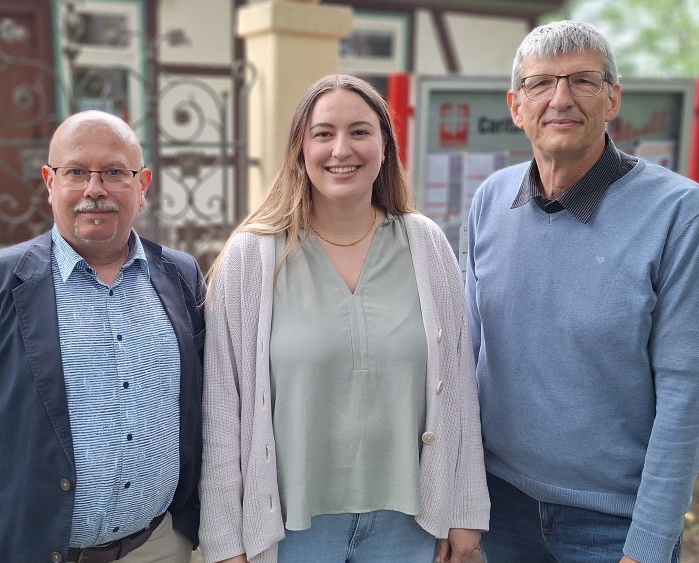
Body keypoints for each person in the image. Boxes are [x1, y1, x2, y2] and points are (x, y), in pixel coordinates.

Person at [200, 74, 489, 563]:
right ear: (300, 148)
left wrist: (464, 509)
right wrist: (227, 542)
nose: (341, 149)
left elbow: (459, 384)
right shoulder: (252, 258)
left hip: (409, 524)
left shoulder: (425, 244)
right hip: (290, 530)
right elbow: (222, 409)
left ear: (383, 147)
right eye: (323, 133)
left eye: (359, 132)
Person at [0, 110, 205, 563]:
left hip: (158, 547)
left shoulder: (181, 276)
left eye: (115, 172)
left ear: (143, 186)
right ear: (49, 182)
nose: (94, 189)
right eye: (76, 171)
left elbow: (209, 415)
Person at [466, 20, 699, 563]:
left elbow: (685, 391)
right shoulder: (490, 201)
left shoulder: (678, 213)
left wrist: (648, 543)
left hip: (613, 525)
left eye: (584, 81)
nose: (561, 99)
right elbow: (466, 358)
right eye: (540, 84)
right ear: (515, 105)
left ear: (613, 98)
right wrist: (462, 504)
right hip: (500, 508)